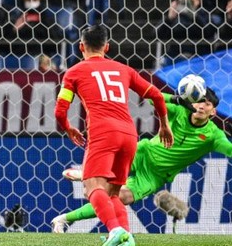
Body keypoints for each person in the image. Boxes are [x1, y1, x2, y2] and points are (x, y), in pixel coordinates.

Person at [52, 87, 232, 233]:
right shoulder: (180, 111)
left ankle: (62, 219)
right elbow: (151, 98)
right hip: (143, 153)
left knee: (121, 198)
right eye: (200, 101)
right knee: (106, 177)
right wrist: (175, 99)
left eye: (207, 104)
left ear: (213, 112)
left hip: (155, 176)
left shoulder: (213, 136)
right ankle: (90, 175)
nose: (202, 106)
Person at [54, 24, 173, 246]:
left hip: (102, 132)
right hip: (129, 134)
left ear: (81, 46)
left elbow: (60, 111)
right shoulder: (124, 69)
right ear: (107, 46)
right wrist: (164, 125)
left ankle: (115, 229)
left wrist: (69, 128)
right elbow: (157, 95)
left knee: (93, 187)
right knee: (112, 193)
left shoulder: (74, 72)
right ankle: (126, 238)